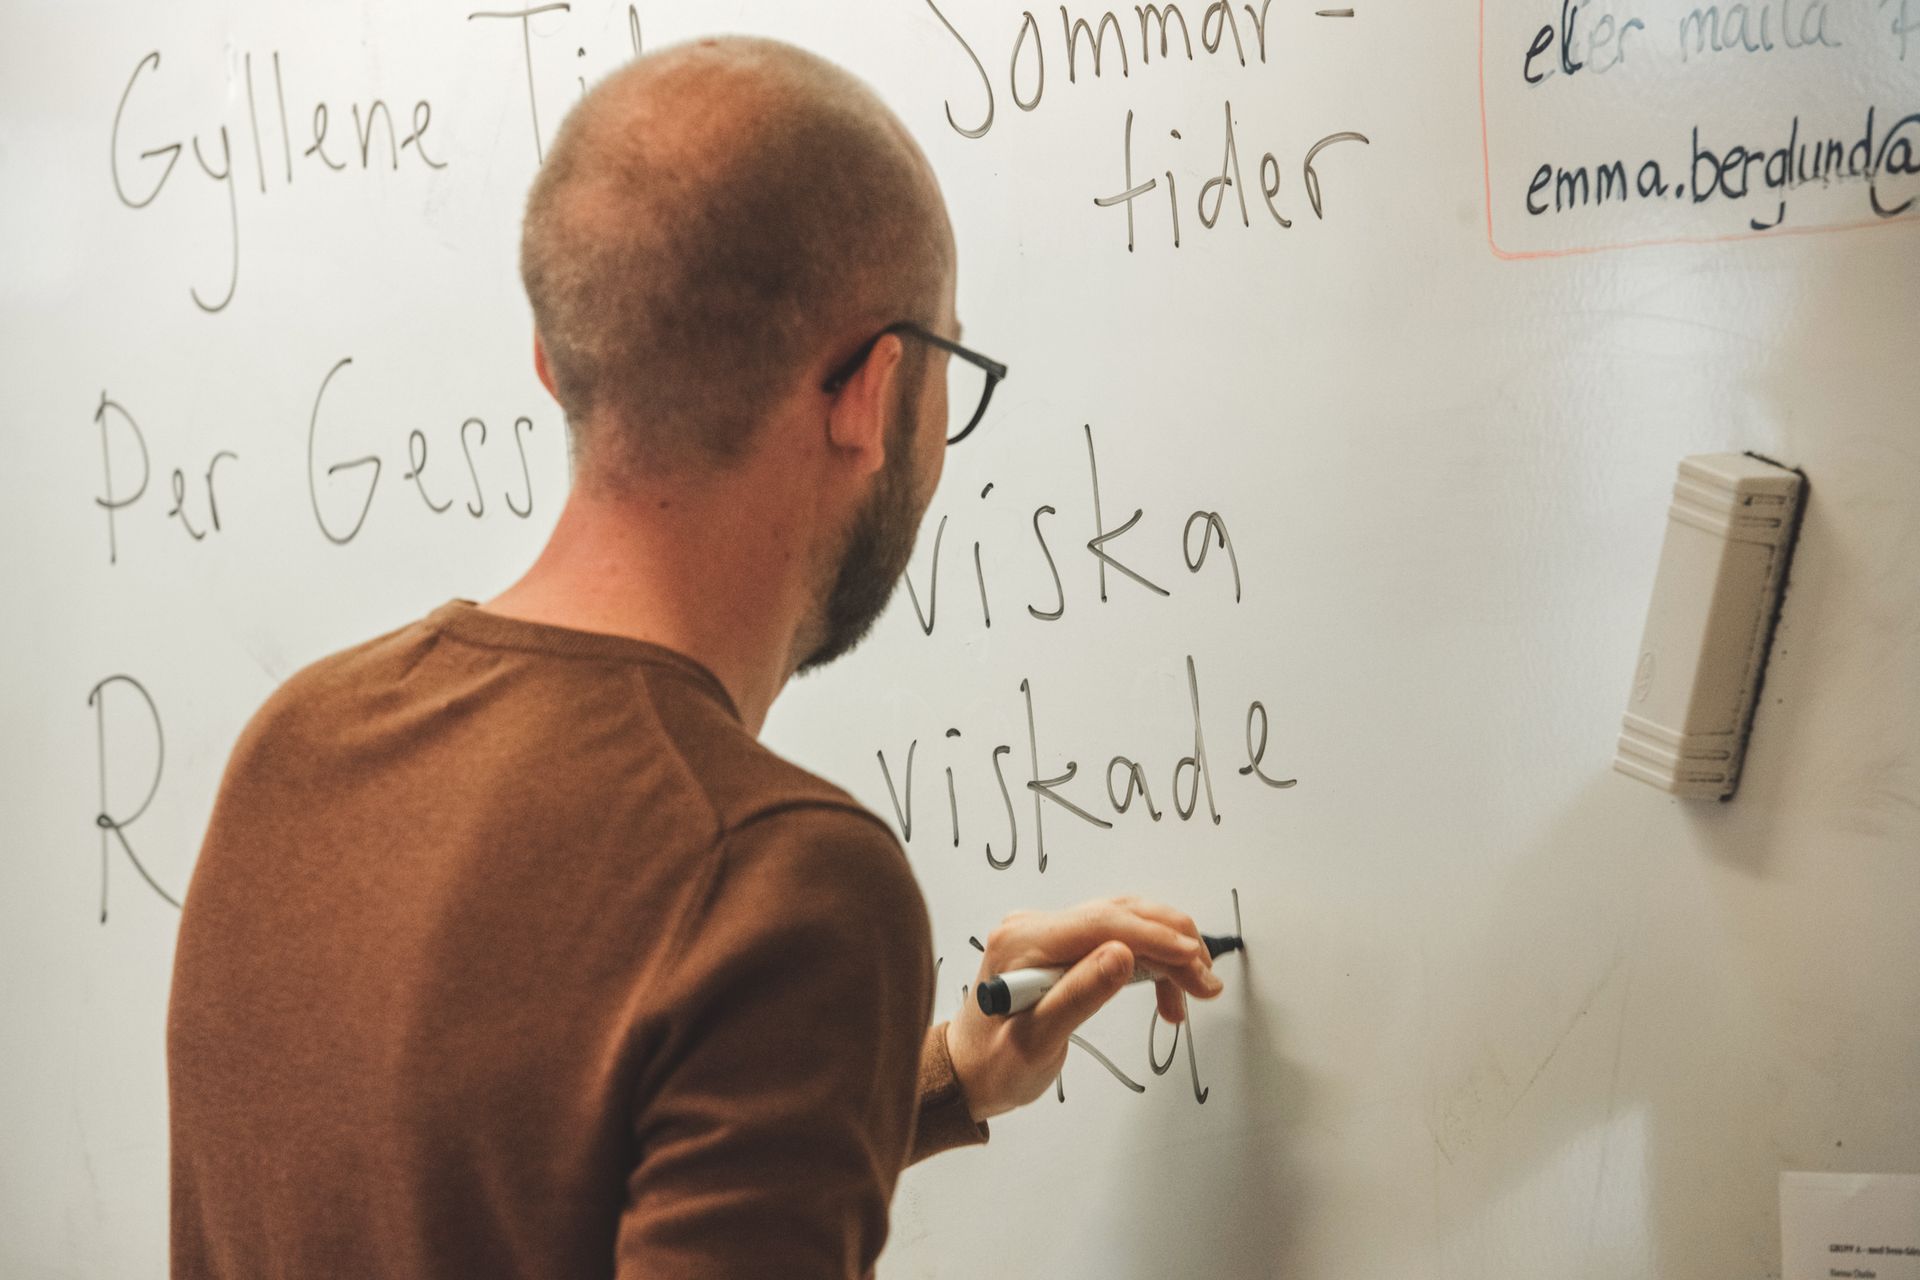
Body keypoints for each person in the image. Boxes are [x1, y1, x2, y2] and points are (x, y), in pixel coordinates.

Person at [167, 35, 1225, 1279]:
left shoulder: (300, 742)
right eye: (946, 367)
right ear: (871, 390)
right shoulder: (780, 886)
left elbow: (512, 1183)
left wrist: (940, 1075)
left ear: (556, 360)